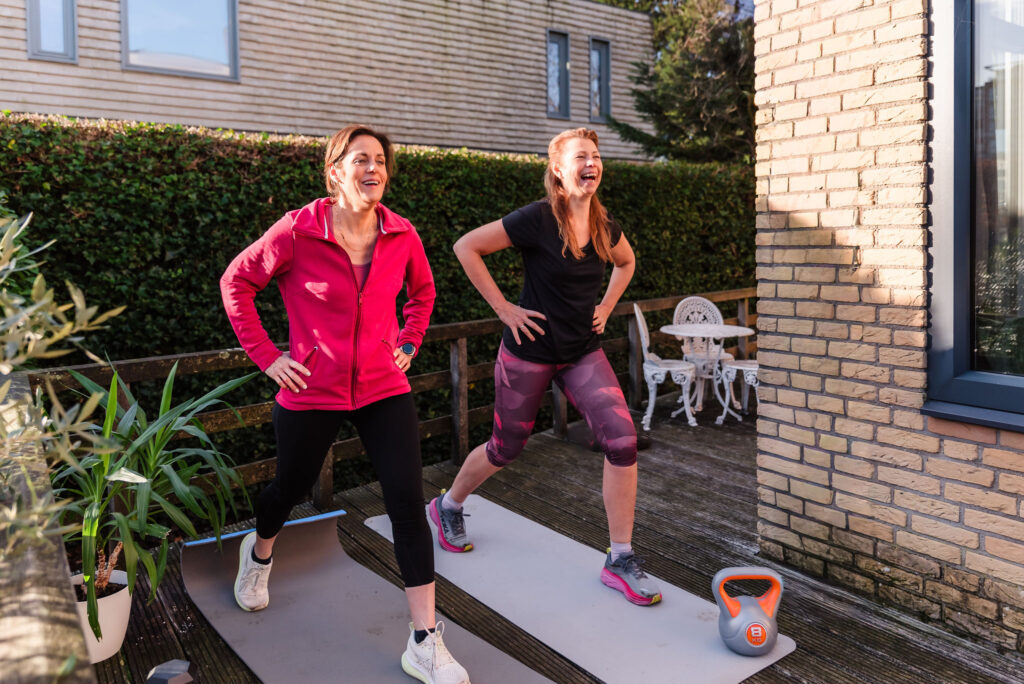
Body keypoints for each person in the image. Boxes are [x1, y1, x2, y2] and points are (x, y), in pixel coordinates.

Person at [220, 124, 470, 684]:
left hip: (383, 386)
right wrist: (268, 357)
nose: (373, 168)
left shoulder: (401, 234)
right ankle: (258, 554)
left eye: (379, 159)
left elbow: (423, 293)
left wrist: (408, 342)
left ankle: (424, 641)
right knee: (290, 488)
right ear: (335, 172)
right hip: (313, 387)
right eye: (361, 159)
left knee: (407, 503)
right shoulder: (297, 230)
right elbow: (236, 282)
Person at [430, 128, 662, 606]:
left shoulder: (604, 225)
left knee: (622, 442)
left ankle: (620, 558)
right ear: (558, 169)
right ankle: (448, 505)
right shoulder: (536, 219)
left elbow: (626, 263)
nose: (591, 163)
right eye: (581, 156)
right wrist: (503, 309)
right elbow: (466, 246)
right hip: (528, 352)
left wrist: (606, 306)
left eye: (596, 156)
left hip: (581, 351)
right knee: (505, 447)